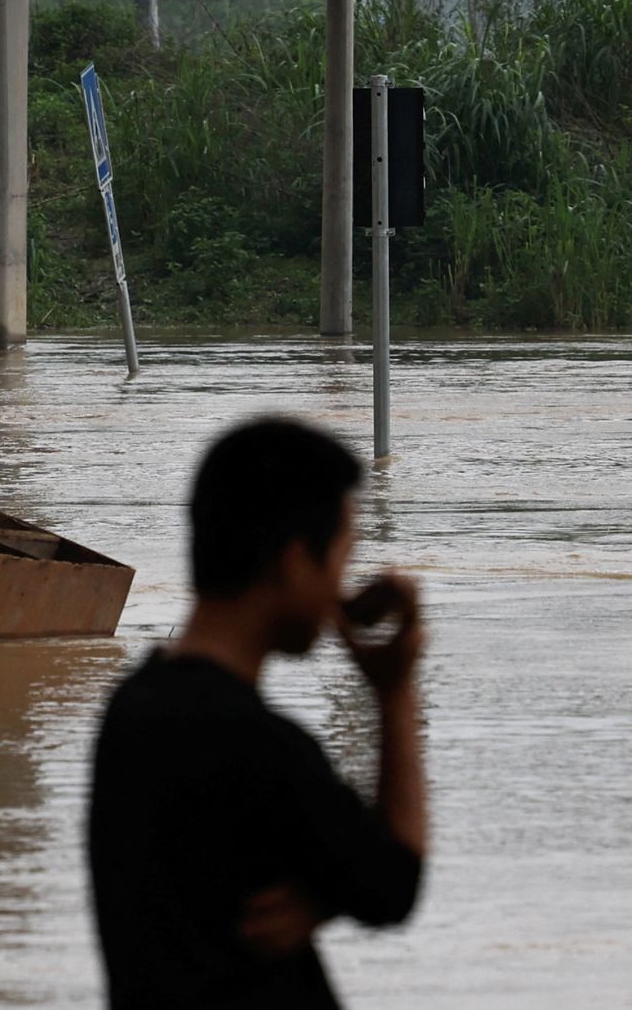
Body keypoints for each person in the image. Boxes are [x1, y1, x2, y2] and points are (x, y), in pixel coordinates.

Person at [88, 418, 427, 1009]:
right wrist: (394, 692)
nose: (339, 588)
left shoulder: (132, 710)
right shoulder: (260, 745)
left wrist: (322, 895)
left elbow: (216, 875)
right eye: (340, 561)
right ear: (295, 562)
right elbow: (394, 884)